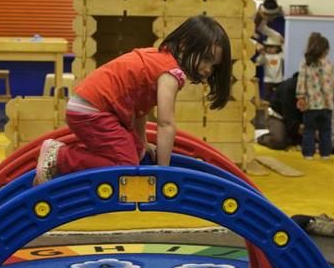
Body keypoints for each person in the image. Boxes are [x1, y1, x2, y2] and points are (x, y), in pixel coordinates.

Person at [33, 15, 232, 185]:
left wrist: (142, 142)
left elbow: (140, 110)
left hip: (91, 107)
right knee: (126, 166)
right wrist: (163, 170)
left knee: (136, 151)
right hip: (94, 111)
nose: (207, 70)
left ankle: (68, 158)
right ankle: (59, 157)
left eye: (214, 66)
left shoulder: (158, 58)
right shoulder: (171, 74)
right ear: (185, 44)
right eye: (206, 59)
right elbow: (165, 123)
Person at [296, 32, 334, 159]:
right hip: (327, 104)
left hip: (311, 103)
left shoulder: (306, 63)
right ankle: (325, 154)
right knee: (326, 130)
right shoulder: (330, 64)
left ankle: (308, 155)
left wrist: (300, 96)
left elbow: (301, 80)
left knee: (309, 129)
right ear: (326, 50)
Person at [257, 72, 303, 150]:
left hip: (298, 121)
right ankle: (262, 138)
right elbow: (289, 115)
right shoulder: (290, 87)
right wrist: (299, 128)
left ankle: (291, 139)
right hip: (278, 117)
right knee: (279, 141)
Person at [255, 37, 284, 102]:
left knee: (279, 96)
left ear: (277, 48)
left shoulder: (280, 56)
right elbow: (258, 62)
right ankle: (267, 109)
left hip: (279, 80)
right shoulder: (265, 56)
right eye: (268, 47)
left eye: (272, 47)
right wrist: (262, 55)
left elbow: (285, 55)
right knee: (267, 96)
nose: (269, 49)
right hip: (268, 80)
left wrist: (283, 44)